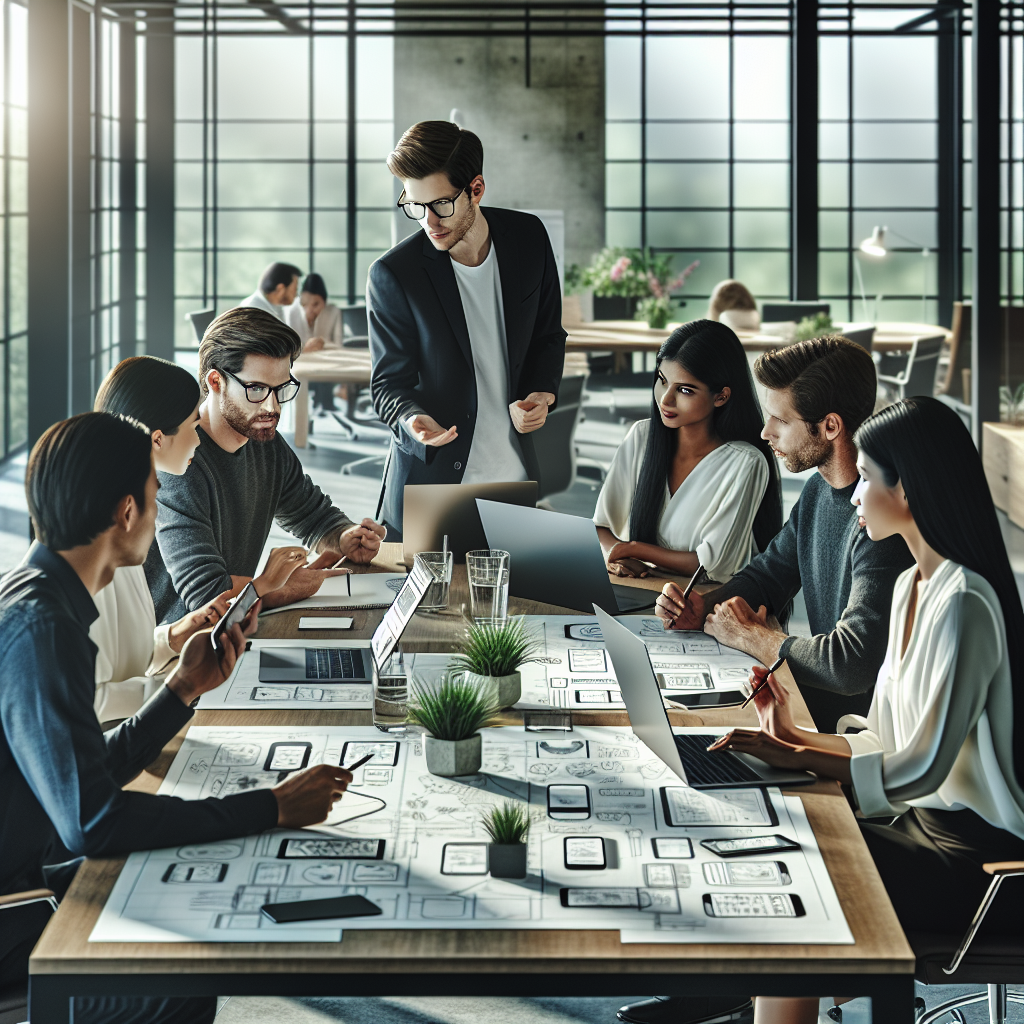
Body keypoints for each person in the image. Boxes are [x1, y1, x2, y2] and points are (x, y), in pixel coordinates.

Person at [0, 412, 355, 1024]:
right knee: (179, 975)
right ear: (126, 512)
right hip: (20, 907)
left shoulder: (38, 596)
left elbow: (82, 774)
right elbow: (96, 821)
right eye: (156, 492)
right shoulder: (44, 631)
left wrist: (182, 688)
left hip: (31, 863)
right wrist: (271, 808)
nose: (162, 508)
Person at [619, 337, 913, 1024]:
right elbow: (767, 575)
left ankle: (747, 988)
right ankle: (726, 985)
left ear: (828, 428)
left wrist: (761, 638)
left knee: (712, 792)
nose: (763, 430)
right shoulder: (820, 495)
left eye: (778, 420)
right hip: (807, 708)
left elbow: (850, 661)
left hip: (852, 735)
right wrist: (704, 603)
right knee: (682, 765)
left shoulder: (882, 525)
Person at [710, 397, 1024, 1024]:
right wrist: (788, 735)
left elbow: (921, 773)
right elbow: (883, 743)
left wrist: (799, 754)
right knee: (787, 855)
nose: (853, 495)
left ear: (907, 488)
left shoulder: (966, 604)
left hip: (979, 862)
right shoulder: (912, 587)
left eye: (869, 478)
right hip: (919, 829)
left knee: (796, 884)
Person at [368, 120, 566, 538]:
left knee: (510, 604)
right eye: (414, 205)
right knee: (426, 605)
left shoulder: (529, 238)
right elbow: (387, 384)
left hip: (513, 480)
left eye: (440, 204)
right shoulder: (394, 274)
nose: (428, 221)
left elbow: (549, 335)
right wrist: (411, 416)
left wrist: (541, 393)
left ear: (476, 188)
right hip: (432, 488)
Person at [91, 355, 308, 723]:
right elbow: (84, 701)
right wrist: (185, 687)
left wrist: (176, 633)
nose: (200, 436)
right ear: (157, 439)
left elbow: (119, 659)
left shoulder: (129, 524)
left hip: (152, 707)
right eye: (194, 424)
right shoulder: (98, 546)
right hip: (117, 744)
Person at [150, 307, 384, 623]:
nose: (272, 407)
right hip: (185, 650)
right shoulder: (180, 462)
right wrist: (283, 588)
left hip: (239, 627)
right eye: (257, 389)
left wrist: (344, 537)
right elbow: (206, 596)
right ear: (216, 381)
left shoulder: (263, 440)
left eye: (280, 389)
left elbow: (312, 514)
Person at [594, 319, 781, 582]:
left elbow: (712, 563)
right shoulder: (641, 436)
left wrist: (632, 549)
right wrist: (614, 557)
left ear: (721, 397)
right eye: (662, 380)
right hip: (637, 589)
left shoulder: (746, 462)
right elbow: (601, 526)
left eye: (684, 389)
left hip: (702, 604)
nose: (665, 399)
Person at [286, 272, 343, 353]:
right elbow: (288, 349)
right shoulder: (292, 312)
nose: (309, 310)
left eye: (315, 304)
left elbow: (339, 345)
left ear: (324, 302)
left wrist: (322, 344)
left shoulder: (334, 311)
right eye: (304, 304)